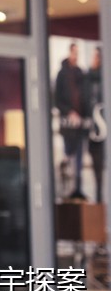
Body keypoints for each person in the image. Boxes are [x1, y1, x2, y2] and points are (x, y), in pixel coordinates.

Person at [55, 41, 88, 200]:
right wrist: (69, 112)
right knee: (69, 154)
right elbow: (57, 100)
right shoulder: (62, 74)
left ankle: (78, 189)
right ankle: (66, 189)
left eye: (77, 53)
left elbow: (86, 97)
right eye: (74, 52)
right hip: (68, 124)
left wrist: (83, 115)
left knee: (79, 158)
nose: (76, 56)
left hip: (80, 125)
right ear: (69, 53)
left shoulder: (80, 73)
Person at [87, 46, 105, 204]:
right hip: (94, 135)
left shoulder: (105, 79)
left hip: (104, 131)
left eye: (97, 57)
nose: (95, 60)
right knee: (97, 172)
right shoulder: (87, 79)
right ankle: (99, 201)